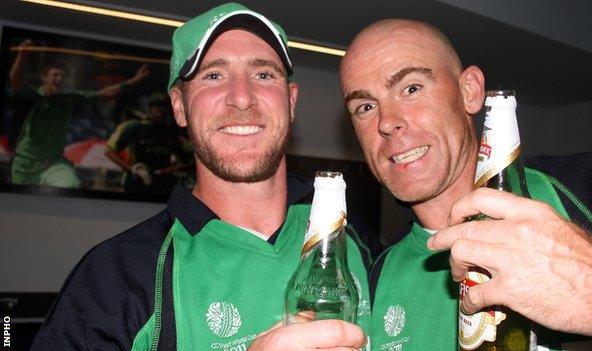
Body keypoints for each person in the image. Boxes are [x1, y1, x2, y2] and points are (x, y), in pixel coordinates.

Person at [31, 3, 373, 350]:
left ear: (291, 100)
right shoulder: (116, 275)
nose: (242, 98)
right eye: (213, 75)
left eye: (264, 74)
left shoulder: (359, 243)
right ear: (179, 106)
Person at [339, 19, 592, 350]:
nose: (386, 122)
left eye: (412, 88)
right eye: (365, 107)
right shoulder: (377, 274)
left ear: (469, 92)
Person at [8, 39, 149, 188]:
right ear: (44, 77)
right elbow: (16, 82)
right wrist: (21, 56)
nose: (59, 79)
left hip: (54, 165)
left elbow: (105, 94)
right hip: (25, 166)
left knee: (71, 185)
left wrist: (134, 80)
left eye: (62, 76)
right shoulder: (32, 97)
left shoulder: (68, 98)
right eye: (55, 75)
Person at [105, 92, 190, 194]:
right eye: (156, 105)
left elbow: (186, 160)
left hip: (163, 187)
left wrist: (172, 169)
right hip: (135, 184)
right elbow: (109, 151)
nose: (160, 109)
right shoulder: (134, 127)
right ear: (149, 107)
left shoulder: (172, 131)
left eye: (164, 105)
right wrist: (133, 169)